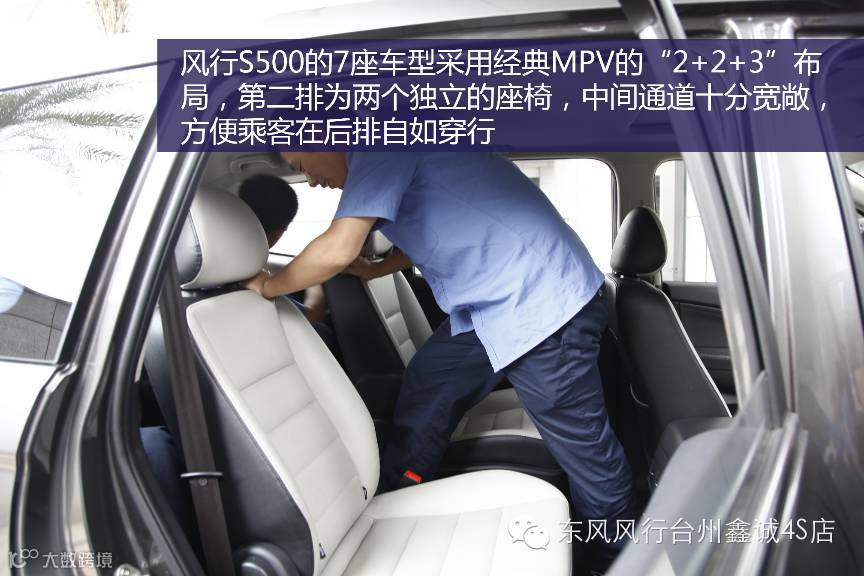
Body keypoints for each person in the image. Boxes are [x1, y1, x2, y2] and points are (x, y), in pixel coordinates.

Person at [243, 151, 635, 562]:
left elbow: (340, 247)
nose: (310, 179)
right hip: (493, 304)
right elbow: (437, 226)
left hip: (540, 303)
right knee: (427, 381)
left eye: (301, 166)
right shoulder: (391, 157)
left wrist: (268, 286)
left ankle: (620, 557)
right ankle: (402, 492)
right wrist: (377, 269)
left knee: (586, 450)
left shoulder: (378, 144)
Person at [238, 174, 326, 323]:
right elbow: (312, 316)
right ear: (279, 233)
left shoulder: (210, 270)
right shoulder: (255, 281)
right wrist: (314, 285)